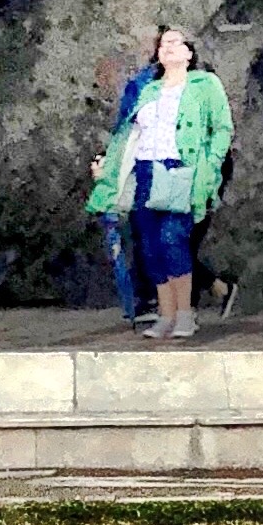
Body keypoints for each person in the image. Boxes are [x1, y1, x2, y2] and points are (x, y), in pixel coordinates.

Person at [85, 28, 233, 343]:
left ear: (189, 53)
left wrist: (210, 164)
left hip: (181, 169)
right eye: (163, 43)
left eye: (175, 42)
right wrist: (109, 169)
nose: (168, 46)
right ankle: (166, 315)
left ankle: (185, 314)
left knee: (173, 240)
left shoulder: (205, 85)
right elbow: (126, 136)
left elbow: (222, 127)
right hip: (145, 171)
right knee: (150, 247)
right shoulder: (148, 90)